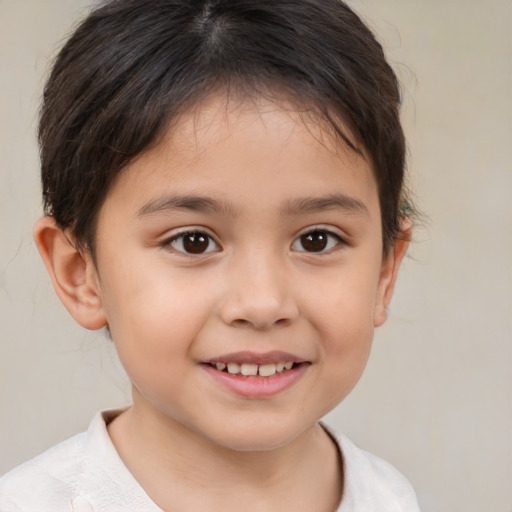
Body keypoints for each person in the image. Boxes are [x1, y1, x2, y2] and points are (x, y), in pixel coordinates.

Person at [0, 0, 421, 510]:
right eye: (193, 241)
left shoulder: (392, 498)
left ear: (384, 271)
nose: (263, 303)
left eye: (317, 239)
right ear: (80, 274)